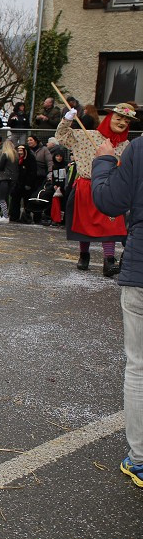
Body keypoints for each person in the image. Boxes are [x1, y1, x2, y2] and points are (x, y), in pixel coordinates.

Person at [89, 128, 143, 488]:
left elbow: (109, 200)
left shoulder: (139, 149)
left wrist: (104, 160)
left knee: (139, 367)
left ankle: (140, 459)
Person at [57, 102, 135, 275]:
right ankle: (84, 255)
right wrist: (67, 120)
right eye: (119, 117)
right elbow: (62, 137)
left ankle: (109, 261)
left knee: (111, 224)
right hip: (87, 186)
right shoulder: (87, 135)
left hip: (112, 186)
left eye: (126, 121)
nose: (122, 122)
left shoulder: (127, 144)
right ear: (110, 118)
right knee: (85, 224)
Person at [0, 137, 18, 223]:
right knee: (6, 197)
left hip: (4, 177)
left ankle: (5, 216)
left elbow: (0, 167)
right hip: (12, 178)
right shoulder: (15, 155)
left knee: (2, 198)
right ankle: (3, 215)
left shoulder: (5, 154)